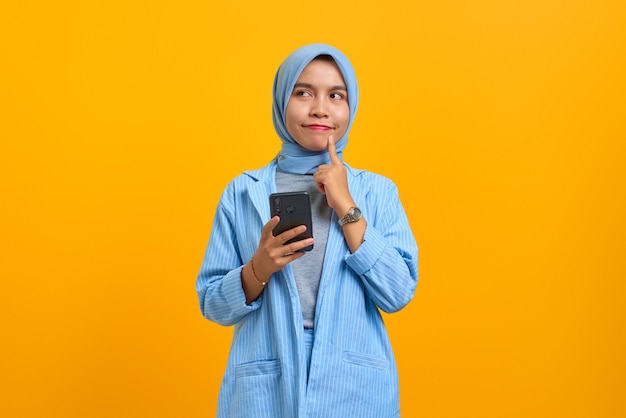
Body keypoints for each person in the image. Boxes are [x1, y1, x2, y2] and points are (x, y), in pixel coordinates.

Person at [196, 43, 418, 418]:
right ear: (282, 100)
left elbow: (397, 292)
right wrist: (258, 270)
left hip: (353, 388)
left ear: (351, 106)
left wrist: (346, 206)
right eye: (303, 92)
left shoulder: (377, 192)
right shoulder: (241, 192)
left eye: (336, 95)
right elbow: (212, 304)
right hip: (265, 386)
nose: (320, 108)